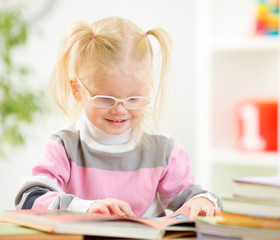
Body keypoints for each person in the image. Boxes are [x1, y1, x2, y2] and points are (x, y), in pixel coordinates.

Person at [15, 16, 221, 220]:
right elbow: (29, 199)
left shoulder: (164, 151)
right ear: (77, 89)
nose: (120, 110)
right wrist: (87, 207)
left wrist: (203, 201)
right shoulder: (64, 146)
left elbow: (192, 197)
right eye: (105, 99)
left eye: (133, 99)